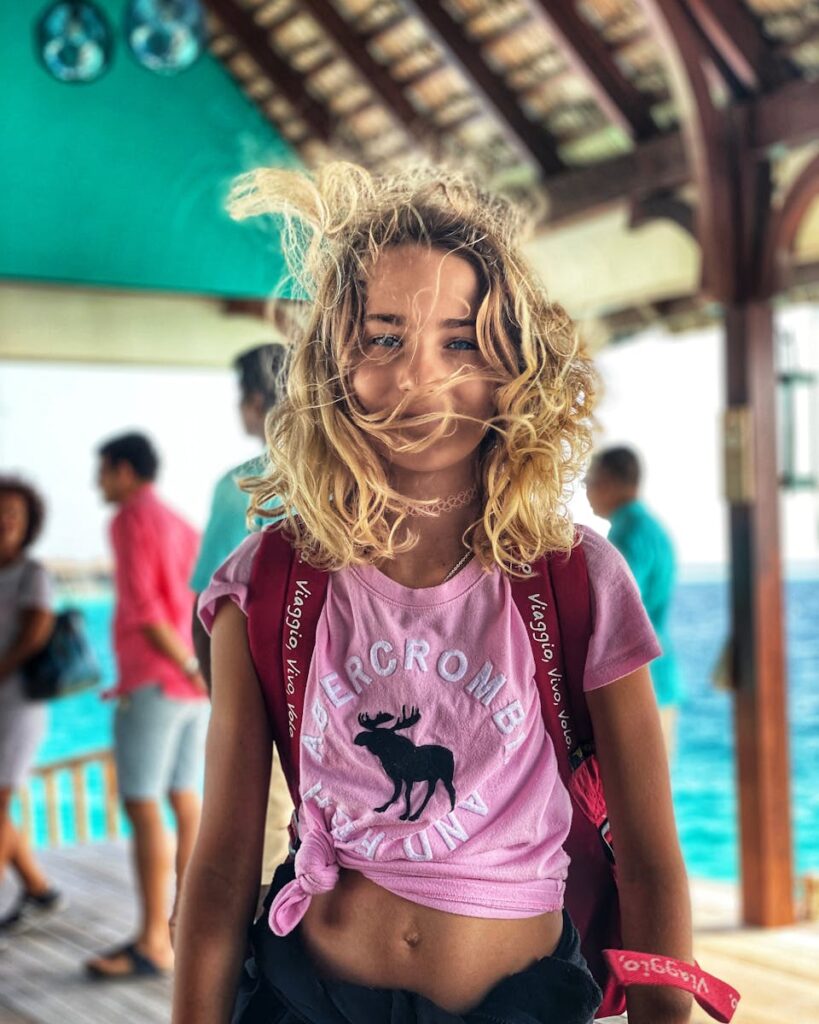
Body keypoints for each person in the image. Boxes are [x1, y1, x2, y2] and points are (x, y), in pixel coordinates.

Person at [172, 164, 693, 1024]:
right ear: (331, 361)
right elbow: (224, 862)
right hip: (304, 999)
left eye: (460, 342)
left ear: (515, 365)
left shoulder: (575, 580)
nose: (420, 377)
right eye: (383, 338)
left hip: (517, 1003)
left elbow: (649, 860)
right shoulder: (264, 586)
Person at [87, 433, 207, 979]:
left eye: (104, 471)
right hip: (193, 685)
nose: (98, 483)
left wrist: (181, 663)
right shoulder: (180, 523)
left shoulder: (130, 519)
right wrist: (199, 668)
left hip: (159, 680)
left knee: (141, 804)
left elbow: (146, 608)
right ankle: (185, 927)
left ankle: (152, 940)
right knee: (185, 801)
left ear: (124, 470)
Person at [189, 341, 294, 883]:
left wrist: (220, 698)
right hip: (337, 691)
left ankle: (259, 959)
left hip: (260, 692)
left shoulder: (241, 485)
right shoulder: (344, 475)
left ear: (255, 401)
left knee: (259, 841)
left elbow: (206, 603)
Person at [585, 447, 684, 757]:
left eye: (591, 480)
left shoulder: (629, 536)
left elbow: (616, 608)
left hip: (640, 682)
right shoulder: (651, 530)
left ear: (612, 483)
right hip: (659, 676)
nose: (586, 489)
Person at [0, 477, 64, 936]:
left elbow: (36, 630)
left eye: (14, 514)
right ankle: (39, 890)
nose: (5, 521)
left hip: (18, 706)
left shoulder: (31, 574)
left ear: (28, 524)